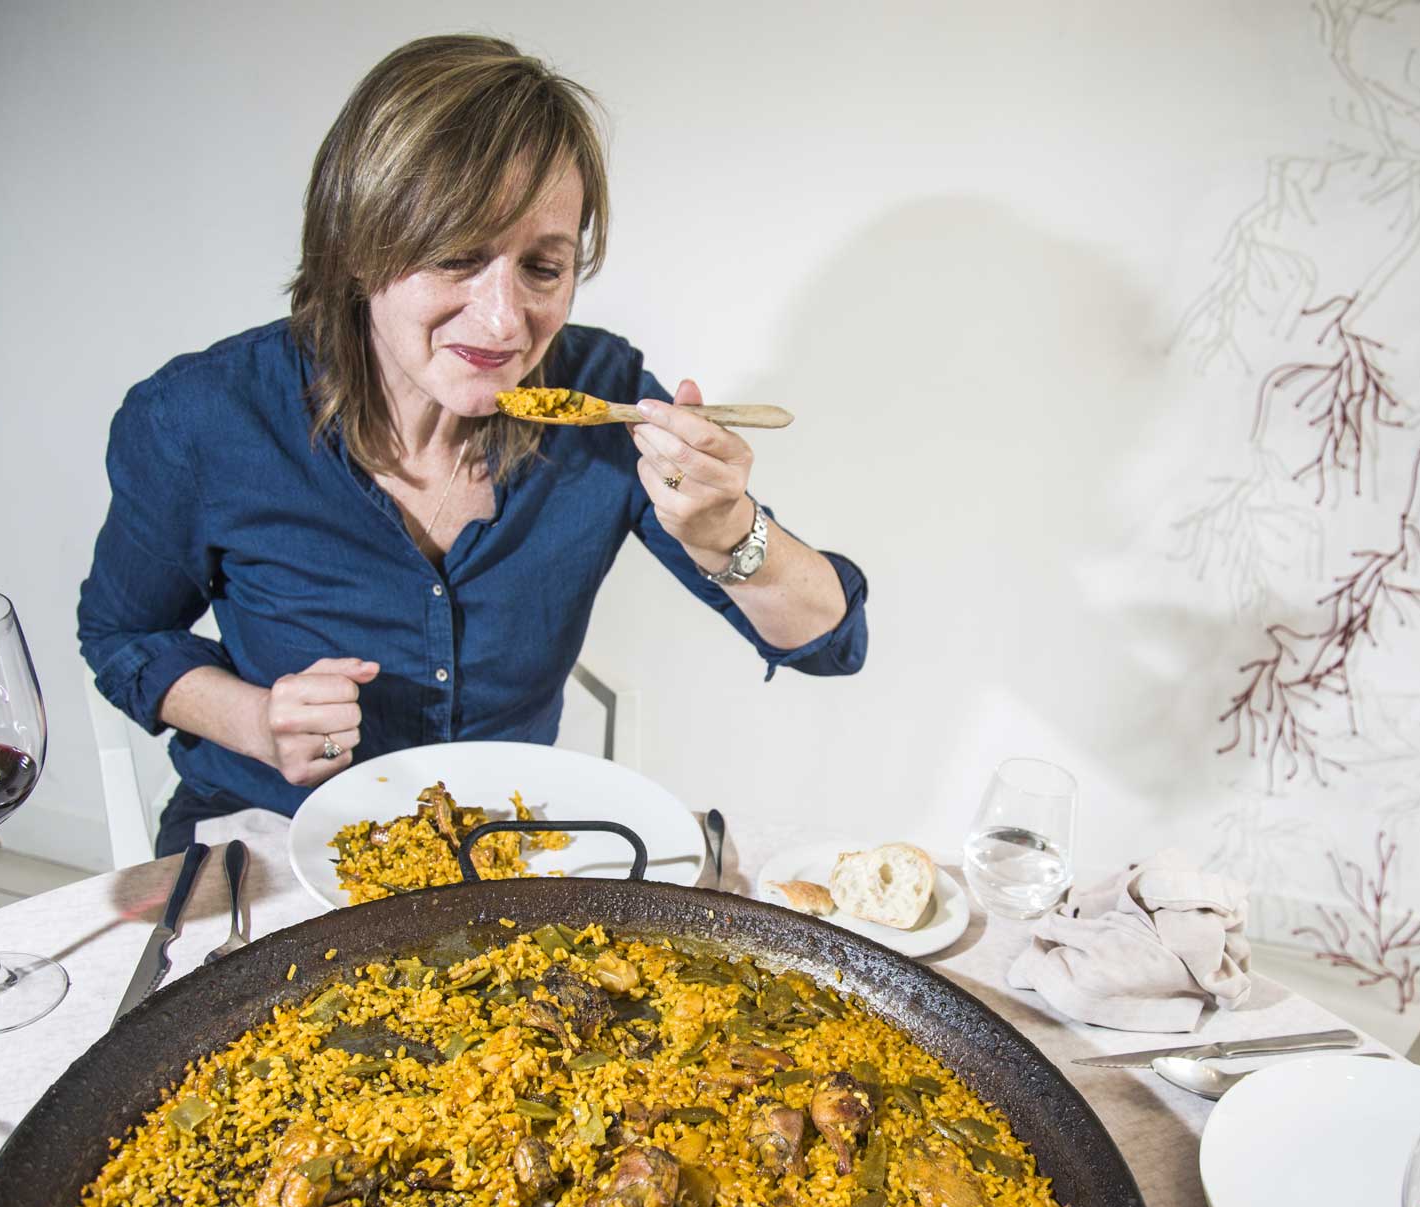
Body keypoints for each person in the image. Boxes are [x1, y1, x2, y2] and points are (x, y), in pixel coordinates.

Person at [77, 35, 867, 856]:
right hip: (266, 838)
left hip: (500, 851)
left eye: (543, 267)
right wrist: (254, 717)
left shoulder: (604, 395)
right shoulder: (201, 419)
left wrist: (729, 532)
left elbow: (830, 641)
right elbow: (121, 636)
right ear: (354, 247)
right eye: (457, 257)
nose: (503, 321)